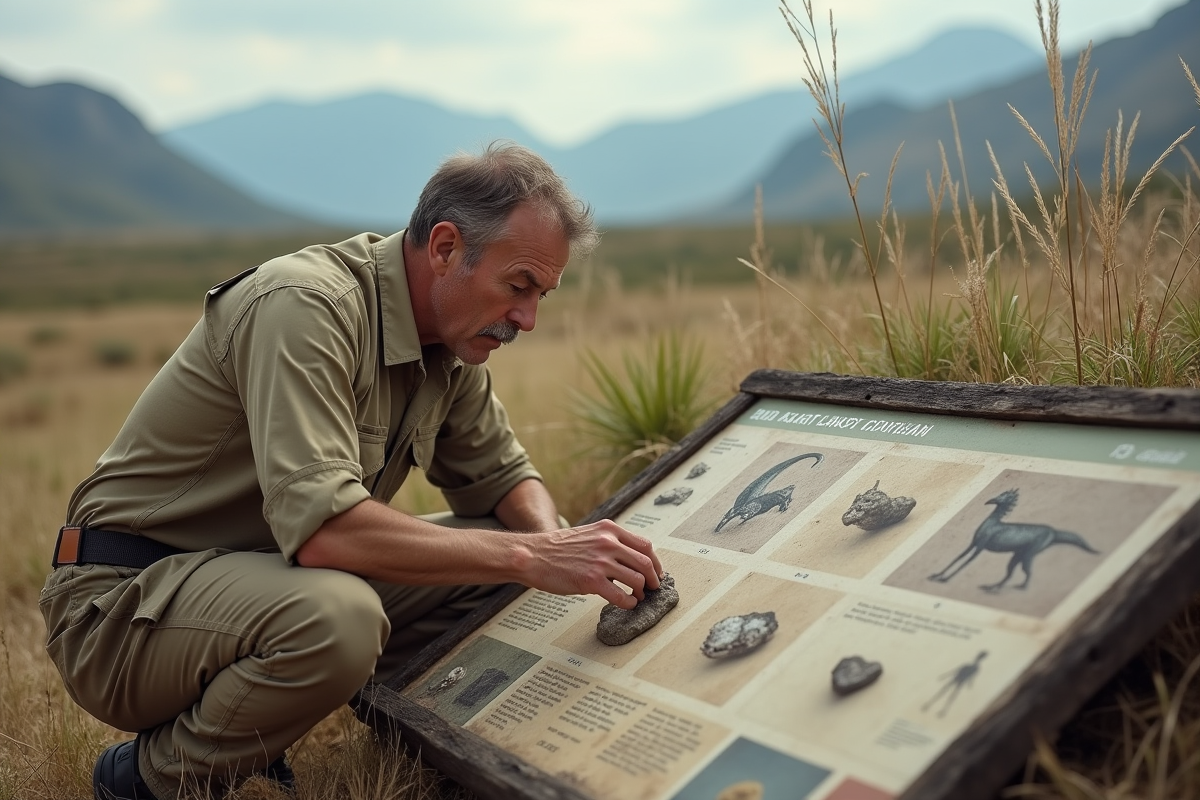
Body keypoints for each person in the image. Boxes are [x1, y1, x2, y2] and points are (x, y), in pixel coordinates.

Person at [40, 143, 664, 800]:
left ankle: (417, 740)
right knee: (343, 618)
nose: (528, 319)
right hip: (122, 608)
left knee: (506, 567)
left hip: (261, 588)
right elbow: (325, 535)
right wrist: (533, 555)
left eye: (542, 294)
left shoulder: (449, 341)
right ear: (446, 248)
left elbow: (506, 480)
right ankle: (145, 780)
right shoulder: (306, 306)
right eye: (518, 286)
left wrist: (551, 546)